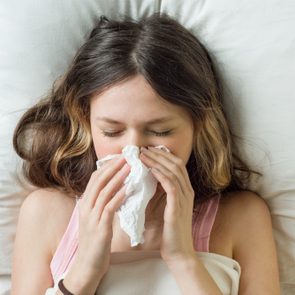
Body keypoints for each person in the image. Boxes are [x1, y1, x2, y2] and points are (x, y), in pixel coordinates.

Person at [11, 13, 280, 294]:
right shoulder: (46, 214)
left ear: (199, 126)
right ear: (86, 122)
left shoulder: (242, 217)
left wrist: (183, 259)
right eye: (112, 132)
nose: (134, 150)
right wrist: (85, 271)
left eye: (161, 131)